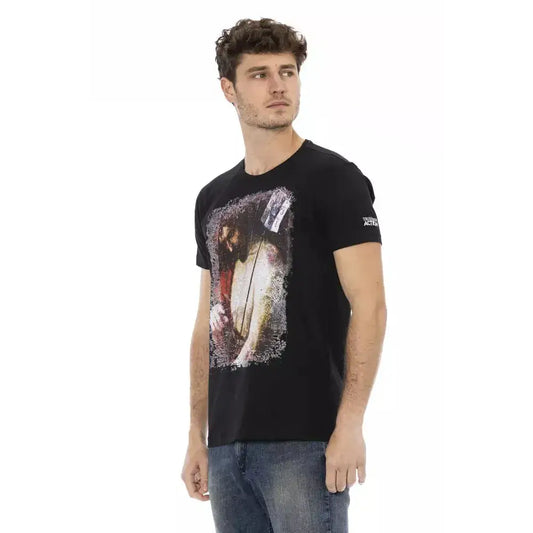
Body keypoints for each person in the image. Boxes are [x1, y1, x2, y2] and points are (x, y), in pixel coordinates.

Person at [181, 17, 387, 533]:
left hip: (305, 442)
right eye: (259, 75)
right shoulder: (212, 198)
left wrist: (350, 423)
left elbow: (370, 304)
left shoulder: (336, 179)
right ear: (228, 89)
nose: (278, 86)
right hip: (227, 448)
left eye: (288, 72)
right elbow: (207, 324)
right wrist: (197, 435)